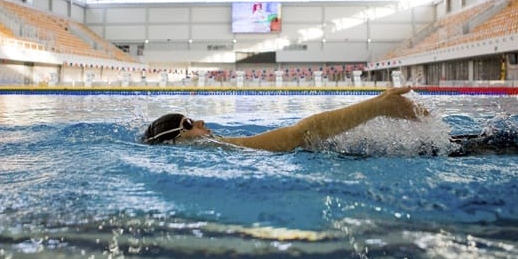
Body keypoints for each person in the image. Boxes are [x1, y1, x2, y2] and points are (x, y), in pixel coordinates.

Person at [140, 86, 426, 152]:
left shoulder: (222, 147)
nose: (199, 122)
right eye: (188, 125)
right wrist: (376, 107)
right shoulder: (224, 149)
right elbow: (301, 134)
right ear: (176, 143)